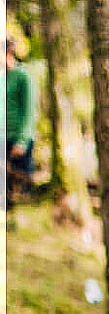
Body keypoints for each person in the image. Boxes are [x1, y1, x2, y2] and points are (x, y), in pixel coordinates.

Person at [6, 37, 36, 206]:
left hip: (19, 140)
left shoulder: (23, 76)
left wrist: (22, 141)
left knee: (20, 187)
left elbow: (29, 111)